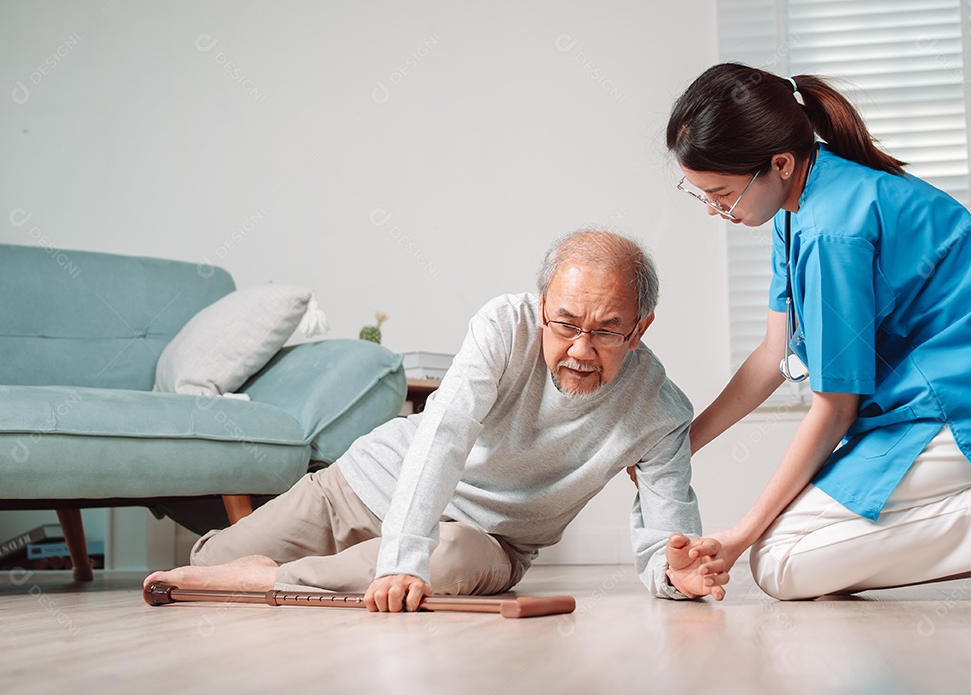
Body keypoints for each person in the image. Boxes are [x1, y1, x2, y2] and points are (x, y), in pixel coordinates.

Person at [145, 229, 728, 610]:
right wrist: (401, 557)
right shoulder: (504, 325)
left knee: (441, 557)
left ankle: (270, 581)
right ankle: (263, 572)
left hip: (483, 540)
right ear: (543, 305)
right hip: (365, 486)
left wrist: (678, 577)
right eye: (566, 323)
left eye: (606, 331)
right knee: (203, 565)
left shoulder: (660, 412)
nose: (580, 349)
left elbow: (666, 545)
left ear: (641, 328)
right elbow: (444, 432)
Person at [660, 62, 971, 605]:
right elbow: (773, 354)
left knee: (777, 560)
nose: (717, 209)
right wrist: (683, 446)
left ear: (780, 163)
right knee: (784, 550)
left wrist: (740, 535)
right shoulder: (799, 202)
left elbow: (835, 407)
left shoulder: (831, 229)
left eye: (722, 193)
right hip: (934, 398)